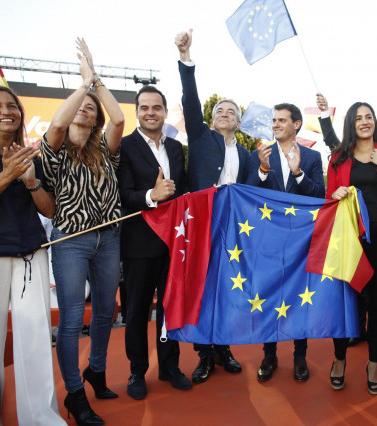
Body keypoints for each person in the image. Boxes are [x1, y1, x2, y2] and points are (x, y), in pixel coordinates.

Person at [41, 39, 125, 425]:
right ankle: (76, 395)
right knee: (73, 318)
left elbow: (120, 119)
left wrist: (97, 82)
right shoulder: (53, 149)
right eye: (81, 105)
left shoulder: (106, 149)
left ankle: (96, 369)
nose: (86, 109)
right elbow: (57, 122)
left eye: (92, 108)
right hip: (70, 241)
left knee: (106, 310)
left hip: (109, 238)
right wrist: (83, 85)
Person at [0, 85, 65, 425]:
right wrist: (7, 175)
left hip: (31, 255)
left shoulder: (32, 154)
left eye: (12, 106)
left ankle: (42, 418)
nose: (6, 111)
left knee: (35, 339)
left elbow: (48, 210)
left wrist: (31, 182)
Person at [176, 29, 248, 384]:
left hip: (234, 232)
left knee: (227, 290)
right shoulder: (201, 137)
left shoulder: (247, 154)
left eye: (231, 111)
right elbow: (191, 101)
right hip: (201, 227)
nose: (224, 113)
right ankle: (203, 355)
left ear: (238, 121)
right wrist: (186, 59)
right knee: (202, 291)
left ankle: (224, 348)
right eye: (219, 109)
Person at [325, 101, 377, 395]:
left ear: (375, 121)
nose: (364, 122)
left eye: (368, 117)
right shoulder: (338, 158)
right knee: (345, 302)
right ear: (351, 124)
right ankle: (338, 359)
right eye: (358, 118)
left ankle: (374, 362)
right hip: (349, 240)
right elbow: (329, 201)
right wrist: (334, 194)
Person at [118, 85, 191, 400]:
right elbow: (122, 194)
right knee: (136, 311)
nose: (151, 112)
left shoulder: (176, 148)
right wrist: (152, 196)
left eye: (156, 107)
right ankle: (136, 371)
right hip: (138, 245)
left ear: (164, 111)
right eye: (144, 107)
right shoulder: (124, 147)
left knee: (170, 307)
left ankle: (169, 366)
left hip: (173, 244)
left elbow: (183, 190)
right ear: (137, 111)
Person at [246, 103, 324, 383]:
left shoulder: (312, 157)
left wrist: (299, 174)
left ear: (297, 124)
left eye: (282, 120)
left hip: (301, 241)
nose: (276, 124)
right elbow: (248, 194)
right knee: (269, 297)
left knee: (298, 298)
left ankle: (299, 356)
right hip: (267, 241)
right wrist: (263, 170)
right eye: (274, 120)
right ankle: (269, 355)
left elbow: (319, 196)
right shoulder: (260, 155)